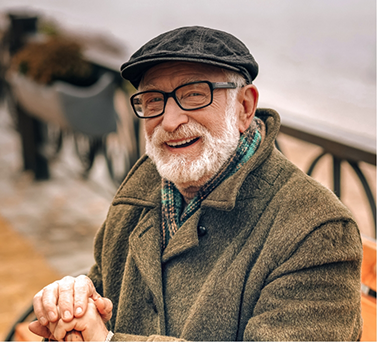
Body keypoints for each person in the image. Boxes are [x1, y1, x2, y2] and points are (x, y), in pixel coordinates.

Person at [29, 26, 363, 341]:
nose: (170, 121)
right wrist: (73, 302)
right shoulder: (142, 191)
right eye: (154, 100)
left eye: (193, 95)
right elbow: (103, 290)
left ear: (244, 107)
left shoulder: (316, 229)